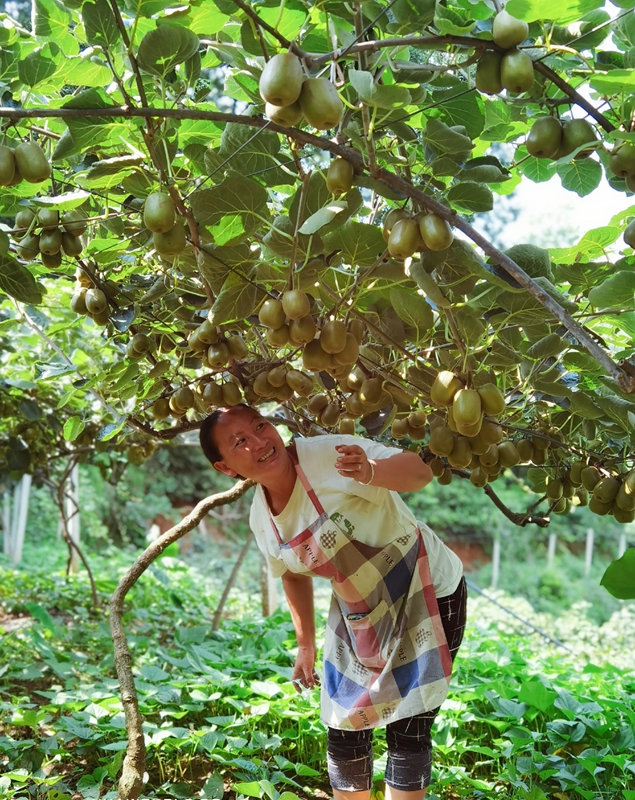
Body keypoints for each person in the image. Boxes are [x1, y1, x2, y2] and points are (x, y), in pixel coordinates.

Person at [199, 404, 466, 800]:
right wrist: (305, 645)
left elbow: (420, 472)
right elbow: (290, 573)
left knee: (409, 725)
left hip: (426, 590)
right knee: (345, 725)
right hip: (358, 612)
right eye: (241, 441)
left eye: (260, 426)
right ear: (227, 468)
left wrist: (371, 471)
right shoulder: (264, 520)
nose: (259, 441)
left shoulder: (332, 455)